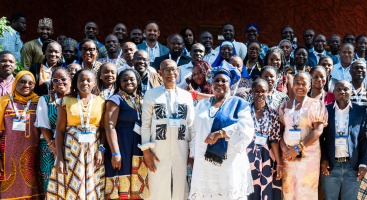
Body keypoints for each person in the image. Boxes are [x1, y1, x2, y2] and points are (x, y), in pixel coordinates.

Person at [189, 61, 254, 200]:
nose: (219, 83)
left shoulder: (239, 104)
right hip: (203, 162)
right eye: (216, 80)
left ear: (230, 83)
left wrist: (219, 134)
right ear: (211, 83)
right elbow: (194, 132)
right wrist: (193, 156)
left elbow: (246, 128)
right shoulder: (202, 104)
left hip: (229, 162)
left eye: (223, 80)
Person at [46, 69, 106, 199]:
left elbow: (103, 129)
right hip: (71, 152)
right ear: (75, 82)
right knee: (72, 187)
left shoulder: (102, 101)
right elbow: (60, 130)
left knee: (92, 187)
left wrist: (101, 149)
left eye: (88, 80)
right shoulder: (65, 101)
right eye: (81, 80)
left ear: (94, 82)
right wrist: (60, 158)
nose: (85, 82)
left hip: (93, 152)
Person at [140, 59, 195, 200]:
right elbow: (145, 124)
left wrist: (192, 153)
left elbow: (191, 126)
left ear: (178, 72)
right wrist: (146, 152)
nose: (171, 73)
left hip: (181, 148)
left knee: (179, 187)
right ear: (160, 73)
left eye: (173, 70)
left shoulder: (186, 96)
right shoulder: (151, 94)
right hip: (158, 149)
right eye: (166, 70)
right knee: (158, 186)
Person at [0, 71, 42, 199]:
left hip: (34, 155)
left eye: (31, 83)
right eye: (22, 82)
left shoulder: (39, 102)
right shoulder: (4, 102)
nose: (26, 85)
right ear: (15, 82)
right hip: (9, 155)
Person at [279, 72, 327, 200]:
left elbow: (317, 131)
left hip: (308, 156)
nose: (300, 86)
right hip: (288, 157)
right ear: (292, 85)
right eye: (297, 83)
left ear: (310, 86)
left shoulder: (316, 105)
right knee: (289, 191)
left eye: (303, 84)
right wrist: (285, 150)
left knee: (306, 192)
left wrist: (297, 149)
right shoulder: (284, 106)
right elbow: (280, 131)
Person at [103, 68, 150, 199]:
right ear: (119, 82)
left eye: (131, 79)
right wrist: (115, 152)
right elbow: (109, 126)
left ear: (138, 81)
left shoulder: (141, 99)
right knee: (120, 191)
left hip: (137, 148)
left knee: (136, 189)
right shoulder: (116, 99)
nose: (128, 82)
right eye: (124, 80)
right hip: (121, 146)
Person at [320, 80, 367, 200]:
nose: (342, 91)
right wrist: (324, 158)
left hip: (353, 166)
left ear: (351, 92)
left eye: (345, 89)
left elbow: (362, 139)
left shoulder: (360, 111)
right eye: (338, 89)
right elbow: (320, 137)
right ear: (333, 92)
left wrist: (363, 163)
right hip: (331, 165)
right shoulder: (325, 110)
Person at [34, 67, 70, 193]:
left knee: (70, 183)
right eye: (55, 80)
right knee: (51, 184)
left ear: (70, 80)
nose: (60, 82)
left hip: (71, 144)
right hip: (49, 147)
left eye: (63, 79)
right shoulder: (44, 99)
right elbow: (43, 125)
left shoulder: (74, 99)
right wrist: (52, 145)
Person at [246, 79, 283, 200]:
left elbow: (274, 140)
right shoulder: (244, 111)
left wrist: (279, 163)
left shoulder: (273, 113)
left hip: (267, 158)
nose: (260, 94)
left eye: (263, 91)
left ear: (267, 92)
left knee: (266, 190)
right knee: (249, 189)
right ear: (252, 92)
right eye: (257, 91)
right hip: (247, 157)